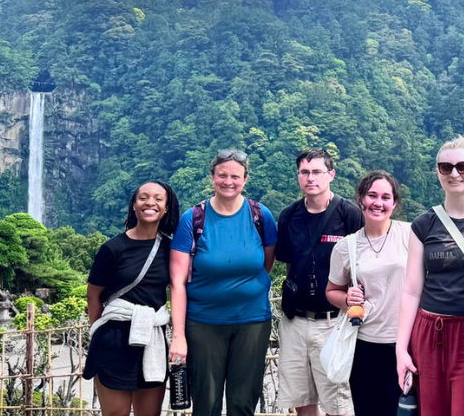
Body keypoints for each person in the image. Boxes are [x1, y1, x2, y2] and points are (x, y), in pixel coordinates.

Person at [170, 149, 279, 416]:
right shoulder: (193, 219)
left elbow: (267, 264)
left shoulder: (260, 216)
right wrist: (179, 336)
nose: (228, 181)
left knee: (243, 401)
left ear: (245, 179)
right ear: (212, 177)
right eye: (222, 175)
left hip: (252, 321)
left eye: (235, 176)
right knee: (206, 402)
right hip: (204, 323)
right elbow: (177, 282)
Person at [397, 134, 464, 416]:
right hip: (428, 332)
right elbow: (412, 290)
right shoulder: (423, 224)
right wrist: (401, 349)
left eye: (462, 166)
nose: (454, 173)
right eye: (445, 167)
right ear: (437, 171)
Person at [277, 149, 364, 416]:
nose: (310, 178)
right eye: (305, 172)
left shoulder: (349, 214)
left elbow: (362, 264)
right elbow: (287, 262)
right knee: (302, 398)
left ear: (331, 175)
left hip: (334, 321)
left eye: (317, 172)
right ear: (298, 176)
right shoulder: (289, 216)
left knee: (338, 401)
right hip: (295, 321)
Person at [84, 181, 180, 416]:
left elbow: (180, 288)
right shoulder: (113, 249)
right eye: (143, 198)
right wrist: (97, 329)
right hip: (114, 339)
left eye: (158, 199)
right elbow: (93, 295)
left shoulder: (171, 248)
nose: (150, 203)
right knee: (116, 413)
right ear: (134, 205)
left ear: (166, 208)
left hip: (153, 340)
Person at [327, 170, 410, 416]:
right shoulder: (346, 246)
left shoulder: (410, 235)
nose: (378, 203)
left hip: (406, 345)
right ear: (361, 199)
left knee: (405, 410)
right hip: (364, 344)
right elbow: (331, 291)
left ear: (394, 203)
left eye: (386, 197)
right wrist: (346, 299)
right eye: (372, 195)